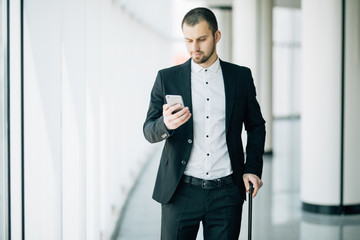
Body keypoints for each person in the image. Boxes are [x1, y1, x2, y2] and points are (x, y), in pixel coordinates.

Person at [143, 7, 265, 240]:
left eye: (201, 39)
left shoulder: (240, 77)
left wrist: (252, 169)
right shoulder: (166, 78)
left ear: (216, 37)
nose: (194, 48)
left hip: (227, 193)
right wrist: (165, 124)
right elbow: (148, 130)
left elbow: (256, 125)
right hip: (179, 192)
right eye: (188, 40)